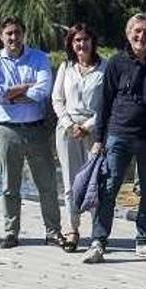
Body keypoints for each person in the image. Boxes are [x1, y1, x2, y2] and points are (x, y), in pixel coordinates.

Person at [82, 14, 146, 264]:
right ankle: (99, 241)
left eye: (145, 31)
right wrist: (99, 139)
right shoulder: (116, 63)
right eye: (136, 31)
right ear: (127, 32)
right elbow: (105, 103)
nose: (140, 36)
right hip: (118, 135)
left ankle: (144, 241)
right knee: (108, 189)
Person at [0, 16, 59, 250]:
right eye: (9, 34)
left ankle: (53, 232)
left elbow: (44, 89)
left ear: (23, 34)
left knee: (47, 183)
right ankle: (11, 233)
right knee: (9, 185)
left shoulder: (38, 58)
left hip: (36, 128)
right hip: (5, 129)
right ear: (0, 36)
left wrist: (12, 96)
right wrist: (26, 87)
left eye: (17, 32)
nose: (13, 38)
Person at [50, 23, 106, 253]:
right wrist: (69, 124)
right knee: (71, 181)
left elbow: (108, 103)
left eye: (85, 39)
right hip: (67, 130)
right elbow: (57, 99)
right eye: (77, 41)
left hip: (94, 129)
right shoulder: (66, 67)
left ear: (92, 42)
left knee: (95, 181)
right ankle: (72, 229)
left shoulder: (105, 67)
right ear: (71, 44)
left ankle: (97, 232)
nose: (81, 44)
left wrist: (88, 125)